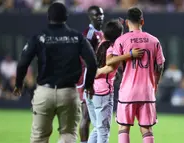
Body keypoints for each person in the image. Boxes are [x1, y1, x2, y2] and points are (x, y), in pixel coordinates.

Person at [13, 2, 97, 143]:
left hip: (45, 92)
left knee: (39, 137)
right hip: (69, 92)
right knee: (68, 134)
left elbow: (22, 63)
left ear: (48, 17)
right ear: (66, 16)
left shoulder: (39, 37)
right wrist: (89, 85)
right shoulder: (77, 37)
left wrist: (18, 84)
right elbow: (92, 62)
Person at [106, 7, 165, 143]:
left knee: (123, 127)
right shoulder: (154, 40)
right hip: (147, 91)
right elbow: (160, 66)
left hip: (128, 91)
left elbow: (110, 61)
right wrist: (155, 84)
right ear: (142, 22)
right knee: (147, 129)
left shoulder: (121, 40)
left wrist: (127, 56)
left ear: (127, 23)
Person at [85, 19, 143, 143]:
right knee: (103, 130)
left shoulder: (101, 42)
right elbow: (110, 65)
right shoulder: (112, 47)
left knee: (97, 128)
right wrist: (130, 54)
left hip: (90, 89)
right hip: (102, 92)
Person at [76, 5, 104, 143]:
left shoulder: (100, 33)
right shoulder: (89, 33)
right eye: (97, 15)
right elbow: (86, 58)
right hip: (87, 77)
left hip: (96, 76)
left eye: (101, 15)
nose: (100, 17)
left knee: (96, 118)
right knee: (86, 116)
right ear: (90, 17)